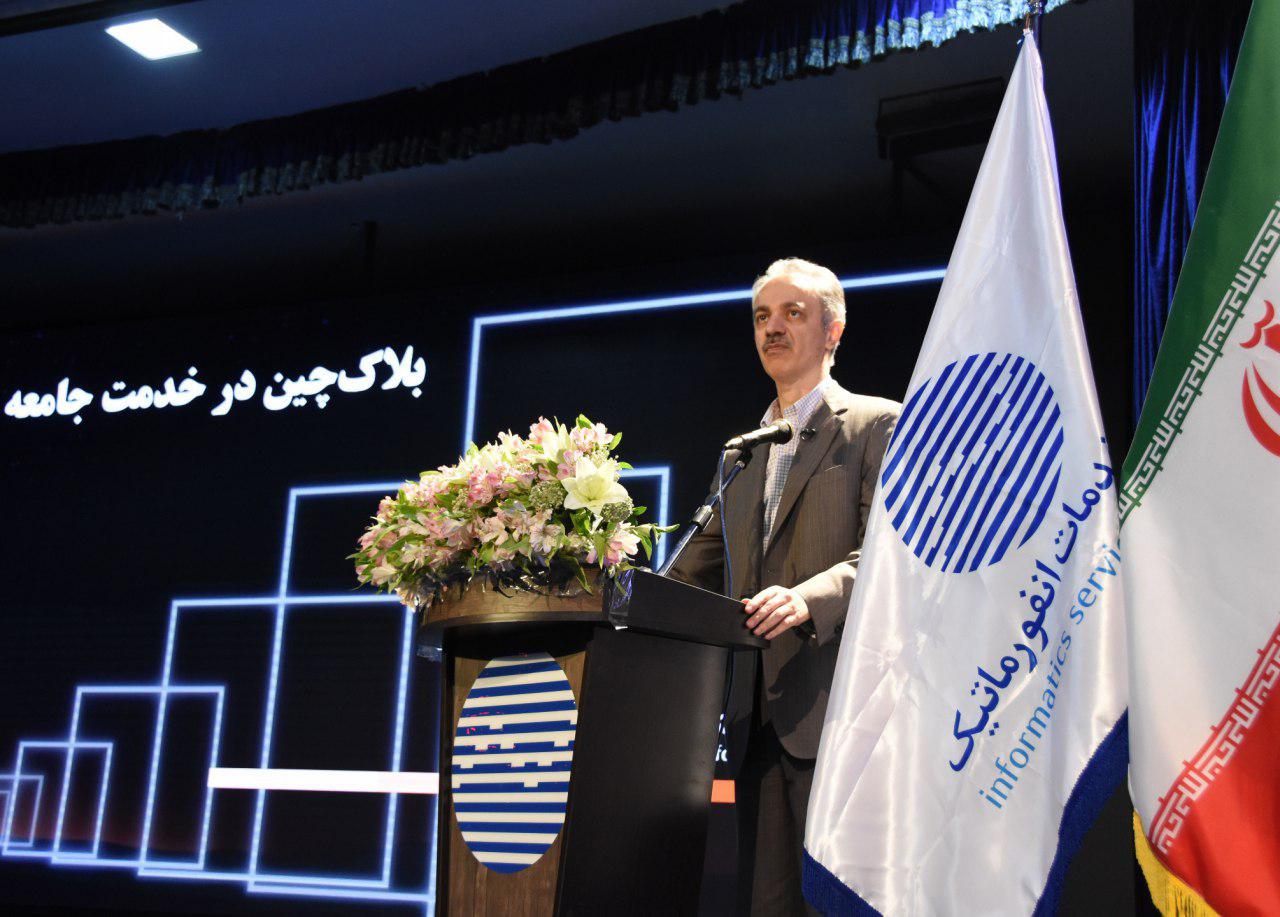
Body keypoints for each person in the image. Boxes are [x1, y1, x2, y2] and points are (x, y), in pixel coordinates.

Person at [668, 258, 899, 916]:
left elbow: (891, 554)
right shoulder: (741, 453)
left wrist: (808, 598)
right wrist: (606, 587)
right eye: (762, 316)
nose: (773, 327)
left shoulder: (876, 424)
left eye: (793, 313)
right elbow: (687, 571)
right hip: (757, 725)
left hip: (842, 715)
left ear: (833, 331)